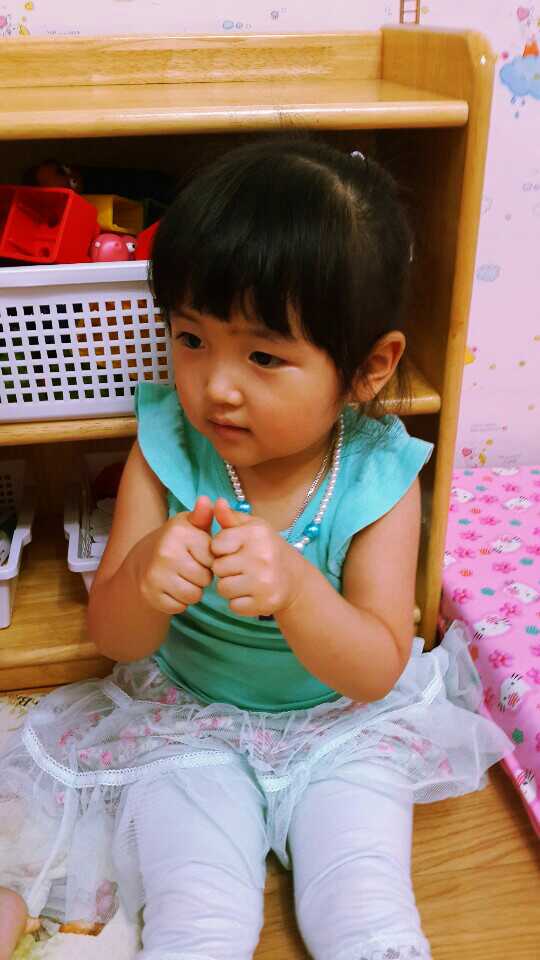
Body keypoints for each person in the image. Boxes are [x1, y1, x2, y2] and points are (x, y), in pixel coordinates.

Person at [0, 138, 511, 960]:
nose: (215, 386)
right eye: (191, 338)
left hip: (344, 728)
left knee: (365, 909)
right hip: (187, 725)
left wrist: (300, 592)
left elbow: (375, 669)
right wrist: (144, 576)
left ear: (369, 368)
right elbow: (114, 638)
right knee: (198, 916)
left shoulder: (379, 476)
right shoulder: (167, 446)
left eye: (264, 355)